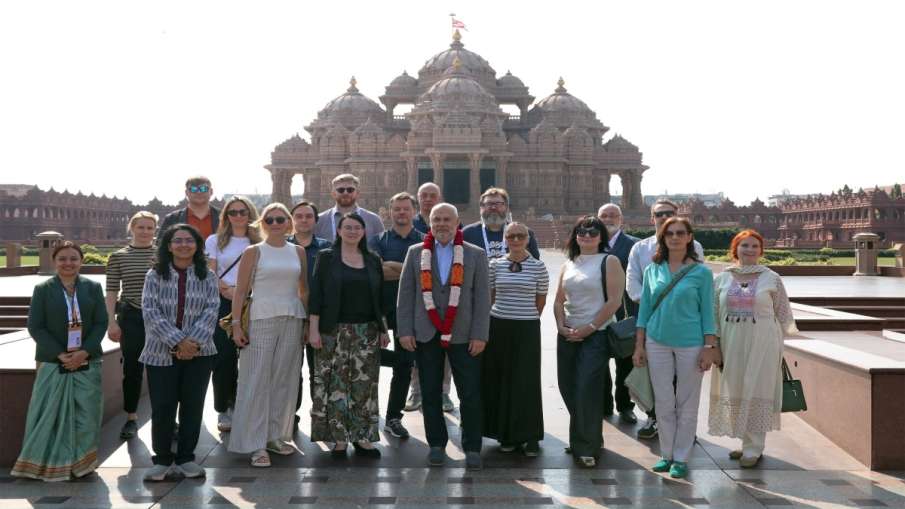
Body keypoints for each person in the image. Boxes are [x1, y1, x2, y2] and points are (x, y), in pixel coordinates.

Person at [397, 203, 490, 470]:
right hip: (426, 333)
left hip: (464, 334)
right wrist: (405, 330)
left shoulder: (475, 254)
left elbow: (482, 299)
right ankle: (436, 444)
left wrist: (480, 334)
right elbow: (406, 296)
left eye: (447, 219)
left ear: (457, 221)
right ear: (428, 221)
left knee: (470, 391)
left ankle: (472, 446)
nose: (441, 224)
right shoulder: (415, 253)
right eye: (436, 219)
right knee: (429, 390)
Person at [12, 242, 107, 481]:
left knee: (86, 415)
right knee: (48, 415)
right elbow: (36, 326)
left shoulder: (93, 288)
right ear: (55, 261)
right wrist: (59, 354)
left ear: (81, 261)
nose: (68, 263)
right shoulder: (43, 289)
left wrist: (84, 352)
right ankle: (46, 464)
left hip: (87, 360)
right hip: (52, 361)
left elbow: (101, 323)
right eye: (63, 258)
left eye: (73, 258)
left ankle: (82, 464)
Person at [632, 217, 719, 479]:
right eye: (669, 233)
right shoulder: (653, 270)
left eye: (680, 233)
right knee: (663, 401)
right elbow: (644, 311)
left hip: (691, 343)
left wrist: (709, 347)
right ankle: (666, 454)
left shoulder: (701, 273)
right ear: (662, 237)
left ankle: (681, 457)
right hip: (657, 341)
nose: (675, 237)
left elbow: (708, 313)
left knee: (687, 402)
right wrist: (639, 345)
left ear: (690, 237)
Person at [709, 229, 798, 468]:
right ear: (735, 249)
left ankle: (754, 447)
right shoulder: (722, 279)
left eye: (754, 246)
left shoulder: (772, 278)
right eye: (744, 245)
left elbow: (783, 314)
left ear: (761, 251)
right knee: (737, 388)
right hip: (731, 341)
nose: (749, 250)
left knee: (758, 388)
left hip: (762, 342)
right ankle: (745, 442)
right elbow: (714, 315)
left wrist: (778, 344)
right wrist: (714, 344)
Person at [228, 203, 308, 467]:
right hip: (260, 319)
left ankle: (275, 436)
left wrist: (307, 322)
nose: (276, 223)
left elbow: (303, 290)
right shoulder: (254, 251)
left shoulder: (299, 251)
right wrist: (237, 325)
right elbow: (240, 291)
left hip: (292, 318)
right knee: (255, 379)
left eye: (281, 219)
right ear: (263, 223)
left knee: (284, 379)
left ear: (289, 223)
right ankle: (255, 444)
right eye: (270, 219)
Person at [140, 225, 220, 481]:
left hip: (200, 352)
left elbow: (212, 310)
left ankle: (186, 457)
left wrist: (192, 343)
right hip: (160, 352)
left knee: (192, 406)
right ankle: (162, 459)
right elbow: (150, 311)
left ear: (197, 245)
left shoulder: (207, 276)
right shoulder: (154, 275)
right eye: (178, 240)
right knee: (163, 407)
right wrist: (177, 342)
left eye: (189, 240)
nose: (183, 245)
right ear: (168, 245)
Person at [309, 212, 389, 458]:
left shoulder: (373, 259)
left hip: (367, 330)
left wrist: (383, 328)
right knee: (335, 384)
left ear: (364, 232)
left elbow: (380, 298)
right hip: (333, 330)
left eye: (357, 228)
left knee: (364, 386)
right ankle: (339, 439)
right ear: (339, 231)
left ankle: (362, 438)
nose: (352, 231)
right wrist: (313, 329)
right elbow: (317, 295)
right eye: (348, 227)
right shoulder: (326, 258)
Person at [626, 199, 704, 439]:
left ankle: (683, 426)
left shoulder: (695, 247)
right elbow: (633, 283)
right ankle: (654, 418)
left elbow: (700, 284)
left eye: (669, 213)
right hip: (652, 321)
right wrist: (651, 304)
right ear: (652, 218)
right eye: (659, 214)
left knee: (683, 378)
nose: (663, 217)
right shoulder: (640, 248)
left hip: (685, 322)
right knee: (655, 376)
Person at [553, 216, 624, 468]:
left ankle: (587, 447)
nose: (587, 236)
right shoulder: (569, 263)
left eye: (593, 232)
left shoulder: (609, 261)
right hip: (569, 333)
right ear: (575, 236)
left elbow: (614, 301)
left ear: (601, 236)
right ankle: (583, 437)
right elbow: (559, 299)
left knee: (587, 389)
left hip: (597, 334)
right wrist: (561, 325)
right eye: (581, 232)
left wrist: (590, 327)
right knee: (568, 387)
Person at [481, 222, 549, 457]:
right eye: (511, 236)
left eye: (521, 235)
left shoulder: (538, 267)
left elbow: (541, 300)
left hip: (527, 327)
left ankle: (529, 436)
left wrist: (525, 316)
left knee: (526, 382)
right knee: (501, 379)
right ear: (505, 239)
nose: (516, 240)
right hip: (499, 326)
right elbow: (490, 297)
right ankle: (506, 435)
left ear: (528, 239)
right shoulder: (495, 265)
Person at [369, 192, 424, 439]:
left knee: (404, 365)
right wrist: (409, 270)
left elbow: (425, 276)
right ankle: (366, 412)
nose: (401, 213)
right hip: (379, 310)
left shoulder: (425, 240)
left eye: (406, 209)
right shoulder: (377, 240)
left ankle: (393, 417)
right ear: (389, 212)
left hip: (411, 313)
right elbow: (375, 272)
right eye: (397, 209)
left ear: (414, 211)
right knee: (368, 359)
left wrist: (392, 267)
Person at [204, 196, 261, 433]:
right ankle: (224, 408)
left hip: (254, 301)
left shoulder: (260, 240)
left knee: (252, 357)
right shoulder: (215, 240)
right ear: (226, 216)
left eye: (243, 211)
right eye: (233, 212)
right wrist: (228, 291)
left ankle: (246, 405)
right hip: (224, 300)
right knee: (224, 357)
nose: (238, 216)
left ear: (250, 214)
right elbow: (210, 272)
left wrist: (243, 292)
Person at [105, 211, 158, 440]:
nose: (145, 232)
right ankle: (131, 417)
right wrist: (111, 321)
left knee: (163, 370)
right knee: (133, 369)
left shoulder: (163, 255)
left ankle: (165, 417)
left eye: (150, 228)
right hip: (131, 315)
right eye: (141, 227)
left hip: (160, 317)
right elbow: (111, 291)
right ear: (132, 228)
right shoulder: (118, 256)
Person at [287, 201, 331, 426]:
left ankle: (320, 413)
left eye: (308, 216)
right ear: (292, 219)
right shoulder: (281, 247)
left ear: (315, 220)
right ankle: (289, 415)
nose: (304, 220)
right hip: (289, 314)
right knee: (291, 370)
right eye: (299, 216)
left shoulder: (328, 248)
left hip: (320, 318)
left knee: (320, 369)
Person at [597, 204, 640, 424]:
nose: (608, 219)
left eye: (612, 215)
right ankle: (603, 404)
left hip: (625, 311)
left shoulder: (634, 245)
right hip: (596, 312)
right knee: (598, 360)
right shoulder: (590, 243)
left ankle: (625, 406)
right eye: (603, 215)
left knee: (625, 361)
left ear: (621, 219)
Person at [462, 187, 540, 260]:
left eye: (498, 204)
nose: (493, 207)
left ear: (506, 207)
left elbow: (535, 262)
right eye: (489, 204)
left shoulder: (523, 233)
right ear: (481, 208)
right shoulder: (467, 234)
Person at [314, 173, 385, 242]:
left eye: (350, 190)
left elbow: (382, 249)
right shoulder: (319, 220)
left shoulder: (374, 220)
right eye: (341, 190)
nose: (345, 193)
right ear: (333, 193)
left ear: (357, 193)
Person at [159, 176, 220, 240]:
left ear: (211, 191)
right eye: (193, 189)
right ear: (186, 193)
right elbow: (161, 245)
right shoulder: (172, 219)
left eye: (203, 189)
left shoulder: (223, 217)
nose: (199, 192)